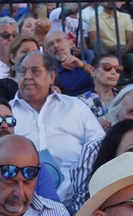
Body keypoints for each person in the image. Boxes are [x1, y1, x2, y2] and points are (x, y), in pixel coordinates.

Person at [10, 50, 103, 182]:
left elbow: (97, 146)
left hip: (76, 189)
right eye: (23, 72)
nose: (28, 76)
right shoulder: (6, 112)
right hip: (21, 189)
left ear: (51, 77)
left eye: (35, 71)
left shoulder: (75, 106)